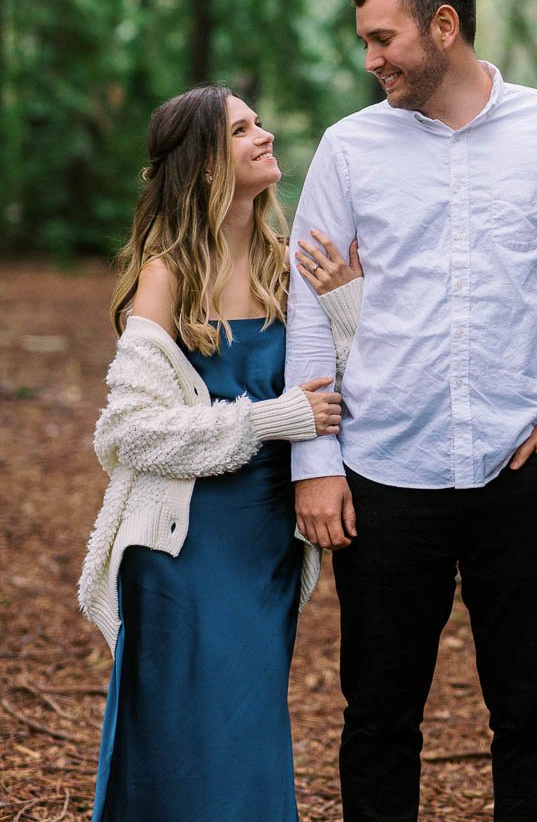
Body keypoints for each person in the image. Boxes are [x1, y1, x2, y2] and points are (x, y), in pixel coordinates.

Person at [285, 0, 537, 822]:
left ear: (443, 25)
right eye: (365, 42)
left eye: (383, 39)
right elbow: (308, 306)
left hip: (526, 474)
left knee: (530, 713)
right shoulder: (349, 147)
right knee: (378, 717)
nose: (370, 60)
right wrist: (315, 459)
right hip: (381, 474)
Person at [78, 85, 362, 822]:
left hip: (266, 539)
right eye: (242, 129)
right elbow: (127, 431)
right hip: (183, 545)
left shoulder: (289, 264)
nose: (265, 134)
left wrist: (349, 301)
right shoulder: (167, 274)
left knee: (248, 727)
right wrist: (269, 419)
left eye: (258, 121)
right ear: (206, 166)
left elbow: (360, 389)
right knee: (180, 735)